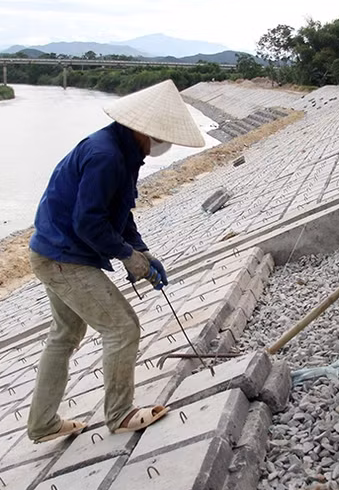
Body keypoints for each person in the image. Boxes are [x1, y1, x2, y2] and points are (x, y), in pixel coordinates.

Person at [26, 80, 205, 443]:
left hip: (55, 251)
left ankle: (42, 424)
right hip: (63, 257)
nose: (162, 143)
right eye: (160, 136)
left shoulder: (125, 152)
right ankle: (120, 415)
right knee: (122, 328)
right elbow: (88, 222)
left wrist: (140, 250)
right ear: (143, 129)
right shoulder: (105, 155)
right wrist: (126, 256)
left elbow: (119, 212)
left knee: (65, 335)